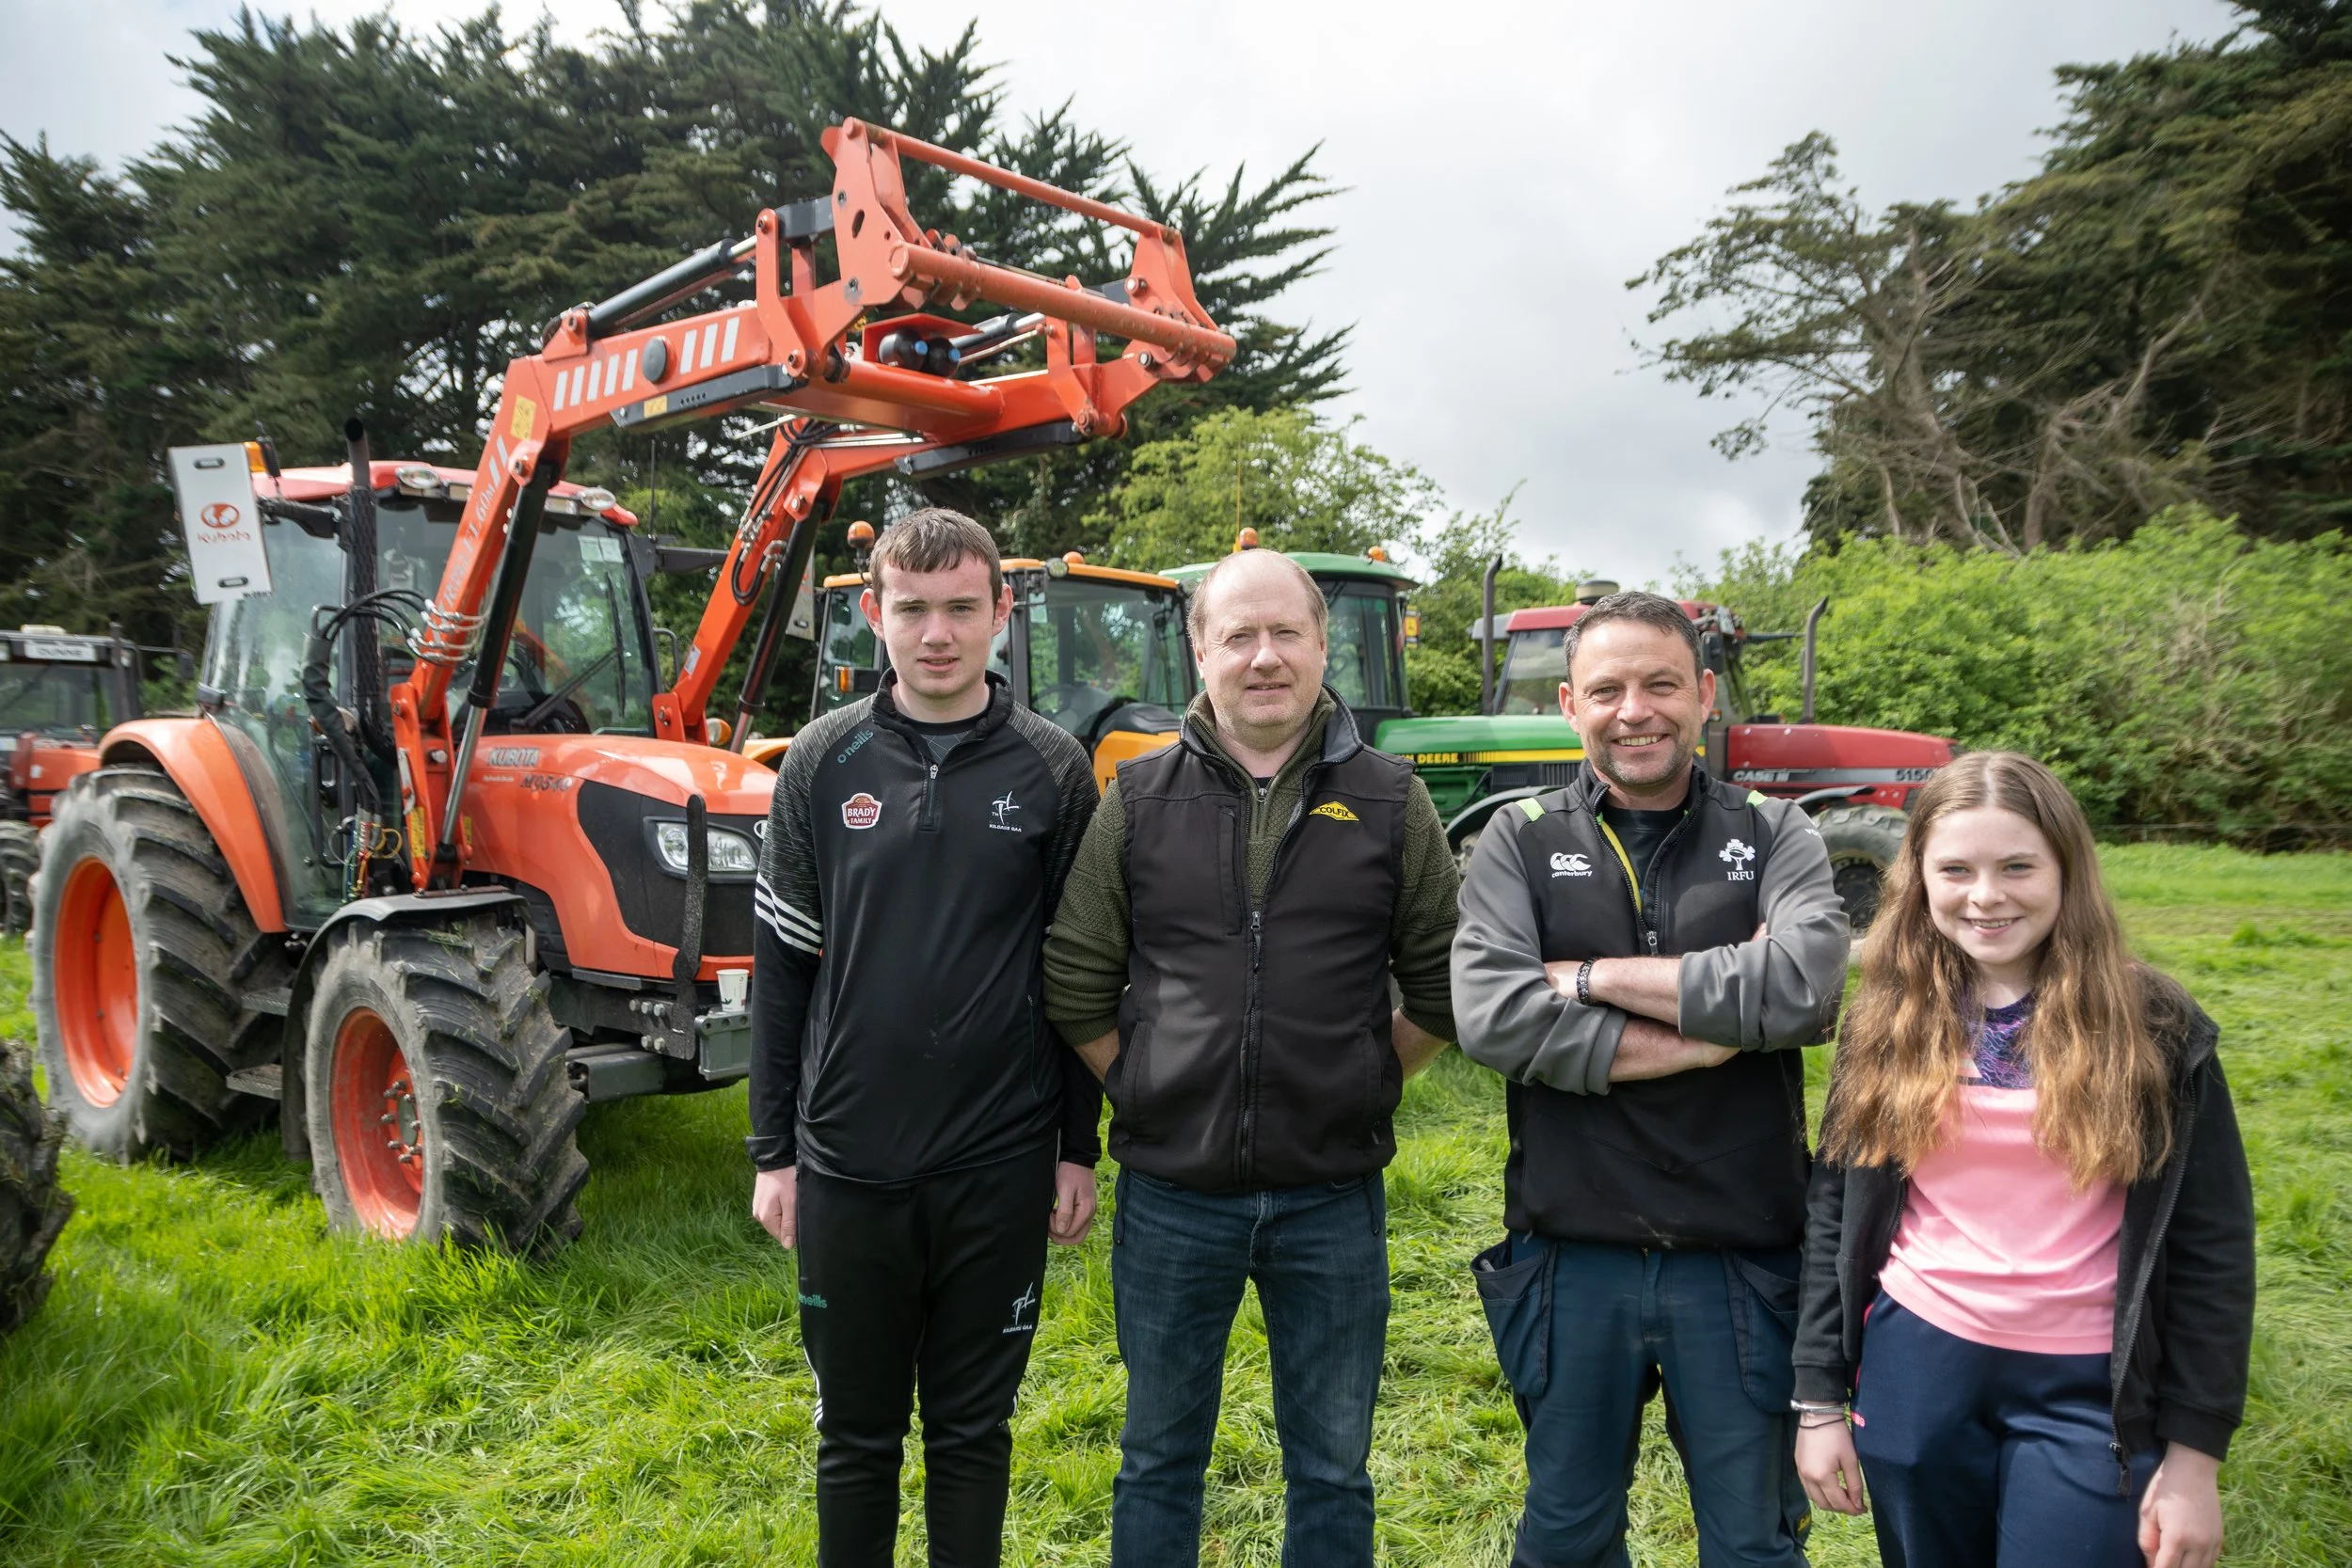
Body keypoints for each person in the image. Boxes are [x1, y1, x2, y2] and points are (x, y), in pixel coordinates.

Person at [1042, 546, 1459, 1568]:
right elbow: (1074, 981)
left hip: (1331, 1200)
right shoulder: (1136, 799)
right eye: (1238, 634)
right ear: (1199, 651)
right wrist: (1144, 1084)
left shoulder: (1395, 800)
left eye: (1285, 633)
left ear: (1323, 646)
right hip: (1172, 1200)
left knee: (1330, 1463)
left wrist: (1365, 1079)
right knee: (1156, 1455)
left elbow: (1446, 985)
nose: (1263, 656)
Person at [1452, 588, 1851, 1568]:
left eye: (1661, 683)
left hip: (1743, 1256)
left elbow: (1802, 986)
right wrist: (1720, 1030)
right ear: (1569, 706)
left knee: (1754, 1542)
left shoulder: (1775, 829)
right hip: (1569, 1252)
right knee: (1566, 1536)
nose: (1635, 709)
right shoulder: (1518, 837)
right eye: (1608, 688)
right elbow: (1493, 1014)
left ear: (1704, 693)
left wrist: (1588, 980)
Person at [746, 508, 1104, 1568]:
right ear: (873, 613)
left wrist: (1074, 1144)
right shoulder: (821, 758)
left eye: (960, 608)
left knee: (970, 1431)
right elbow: (782, 967)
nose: (937, 632)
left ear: (1001, 609)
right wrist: (774, 1149)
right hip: (848, 1159)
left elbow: (1079, 977)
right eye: (912, 608)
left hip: (998, 1160)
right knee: (855, 1436)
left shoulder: (1054, 767)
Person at [1792, 751, 2252, 1568]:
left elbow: (2215, 1246)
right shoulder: (1886, 1019)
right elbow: (1835, 1211)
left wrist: (2194, 1456)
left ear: (2067, 870)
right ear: (1920, 877)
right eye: (1956, 869)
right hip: (1918, 1368)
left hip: (2090, 1386)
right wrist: (1820, 1397)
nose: (1985, 895)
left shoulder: (2157, 1027)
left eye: (2017, 866)